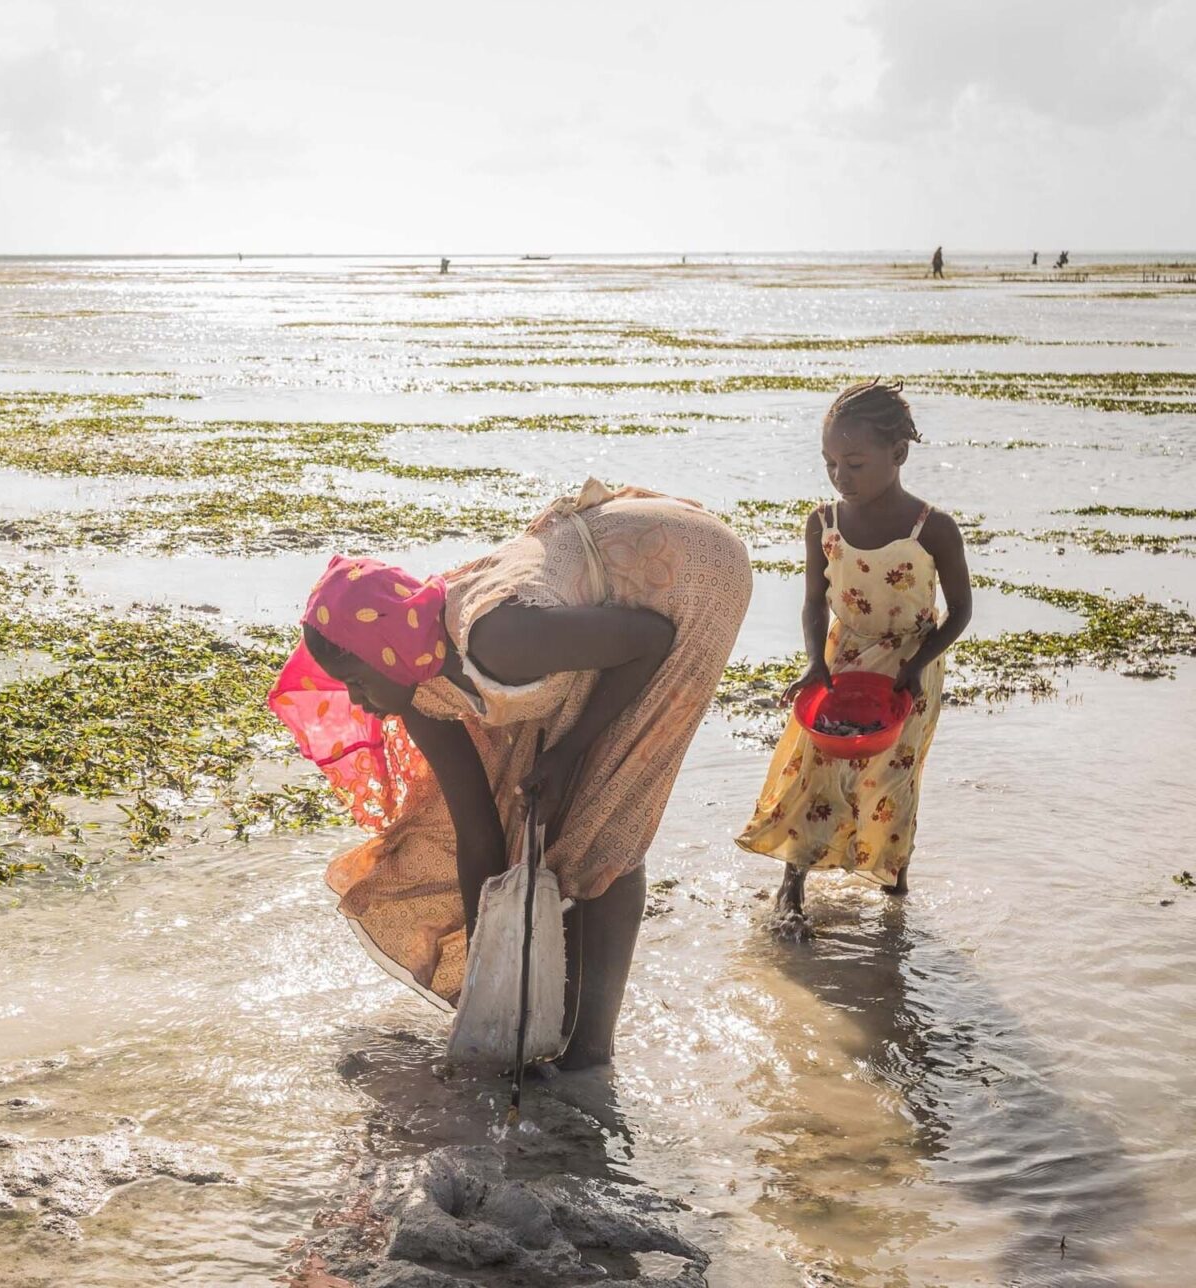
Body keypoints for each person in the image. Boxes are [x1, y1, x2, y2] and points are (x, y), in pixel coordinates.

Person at [268, 483, 752, 1068]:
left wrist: (571, 751)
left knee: (605, 813)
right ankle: (562, 1024)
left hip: (685, 571)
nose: (359, 703)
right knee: (536, 821)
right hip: (602, 601)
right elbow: (478, 833)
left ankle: (592, 1050)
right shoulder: (420, 690)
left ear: (389, 651)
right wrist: (487, 977)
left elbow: (650, 639)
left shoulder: (500, 639)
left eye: (358, 681)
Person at [736, 378, 973, 935]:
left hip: (910, 664)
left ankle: (895, 889)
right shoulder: (823, 522)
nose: (841, 477)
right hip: (842, 655)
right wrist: (815, 665)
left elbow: (959, 611)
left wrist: (915, 667)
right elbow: (813, 604)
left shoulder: (932, 528)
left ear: (898, 455)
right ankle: (792, 887)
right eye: (830, 464)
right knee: (814, 768)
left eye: (855, 463)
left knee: (891, 775)